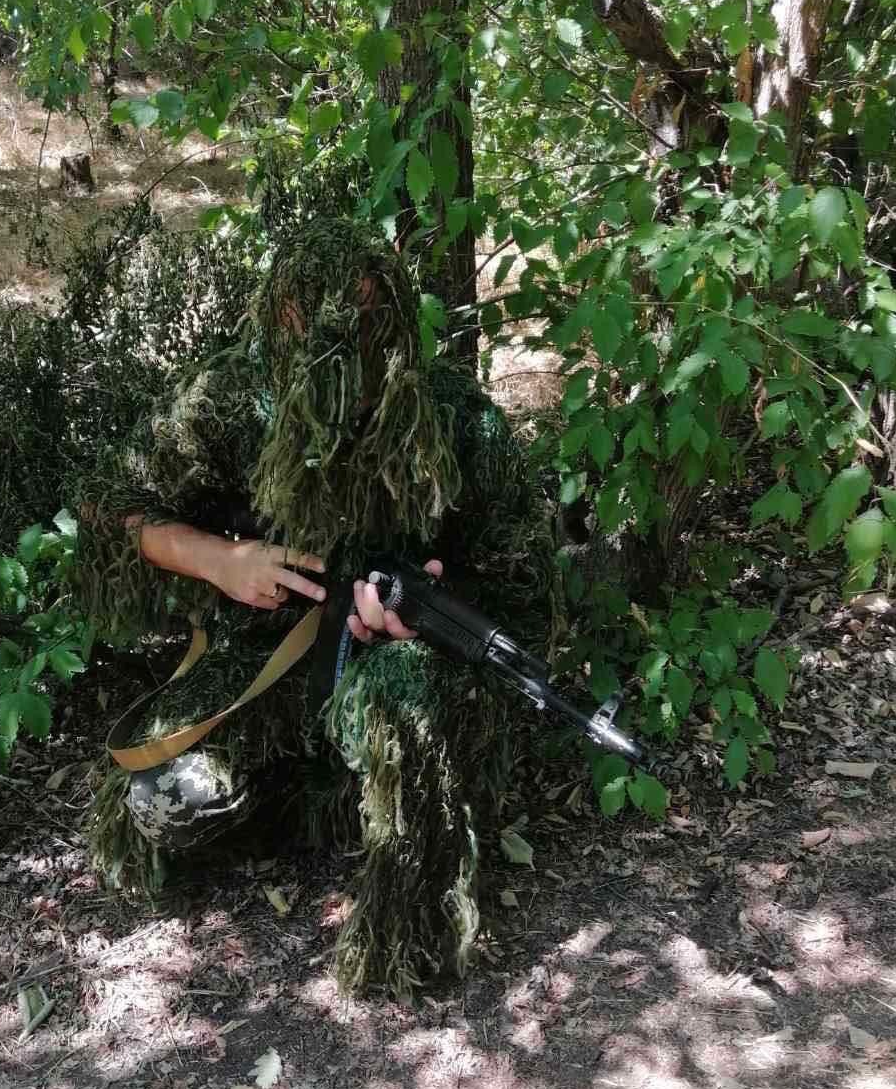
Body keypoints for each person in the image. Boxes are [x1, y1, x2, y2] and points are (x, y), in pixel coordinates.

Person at [74, 218, 561, 995]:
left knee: (402, 709)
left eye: (363, 320)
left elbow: (524, 587)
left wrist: (422, 621)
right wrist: (220, 560)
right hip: (267, 664)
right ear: (277, 322)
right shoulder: (231, 400)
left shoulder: (460, 425)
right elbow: (106, 502)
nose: (337, 345)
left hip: (399, 680)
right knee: (161, 802)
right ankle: (295, 804)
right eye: (311, 323)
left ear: (396, 321)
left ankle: (407, 938)